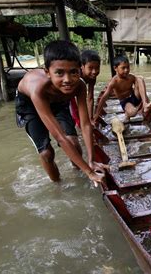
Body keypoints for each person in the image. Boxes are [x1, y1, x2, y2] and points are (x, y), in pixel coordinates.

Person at [15, 40, 106, 183]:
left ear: (80, 70)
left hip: (58, 101)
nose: (68, 80)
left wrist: (91, 160)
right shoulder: (38, 89)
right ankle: (57, 186)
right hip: (30, 105)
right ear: (47, 72)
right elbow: (60, 137)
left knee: (74, 144)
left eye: (73, 72)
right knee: (47, 153)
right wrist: (90, 172)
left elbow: (85, 124)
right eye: (59, 73)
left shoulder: (80, 85)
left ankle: (80, 175)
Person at [94, 55, 151, 121]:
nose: (126, 70)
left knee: (140, 79)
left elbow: (141, 87)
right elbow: (104, 97)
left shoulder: (131, 77)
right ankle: (129, 113)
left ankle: (145, 104)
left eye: (128, 67)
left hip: (135, 97)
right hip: (125, 102)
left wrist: (146, 100)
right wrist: (97, 114)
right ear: (115, 68)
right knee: (132, 112)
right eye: (123, 68)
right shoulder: (114, 82)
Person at [70, 50, 101, 126]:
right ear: (82, 67)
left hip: (75, 95)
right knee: (76, 121)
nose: (94, 72)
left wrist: (91, 118)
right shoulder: (76, 76)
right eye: (90, 68)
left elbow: (90, 98)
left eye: (97, 68)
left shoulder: (92, 77)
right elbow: (76, 99)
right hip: (69, 95)